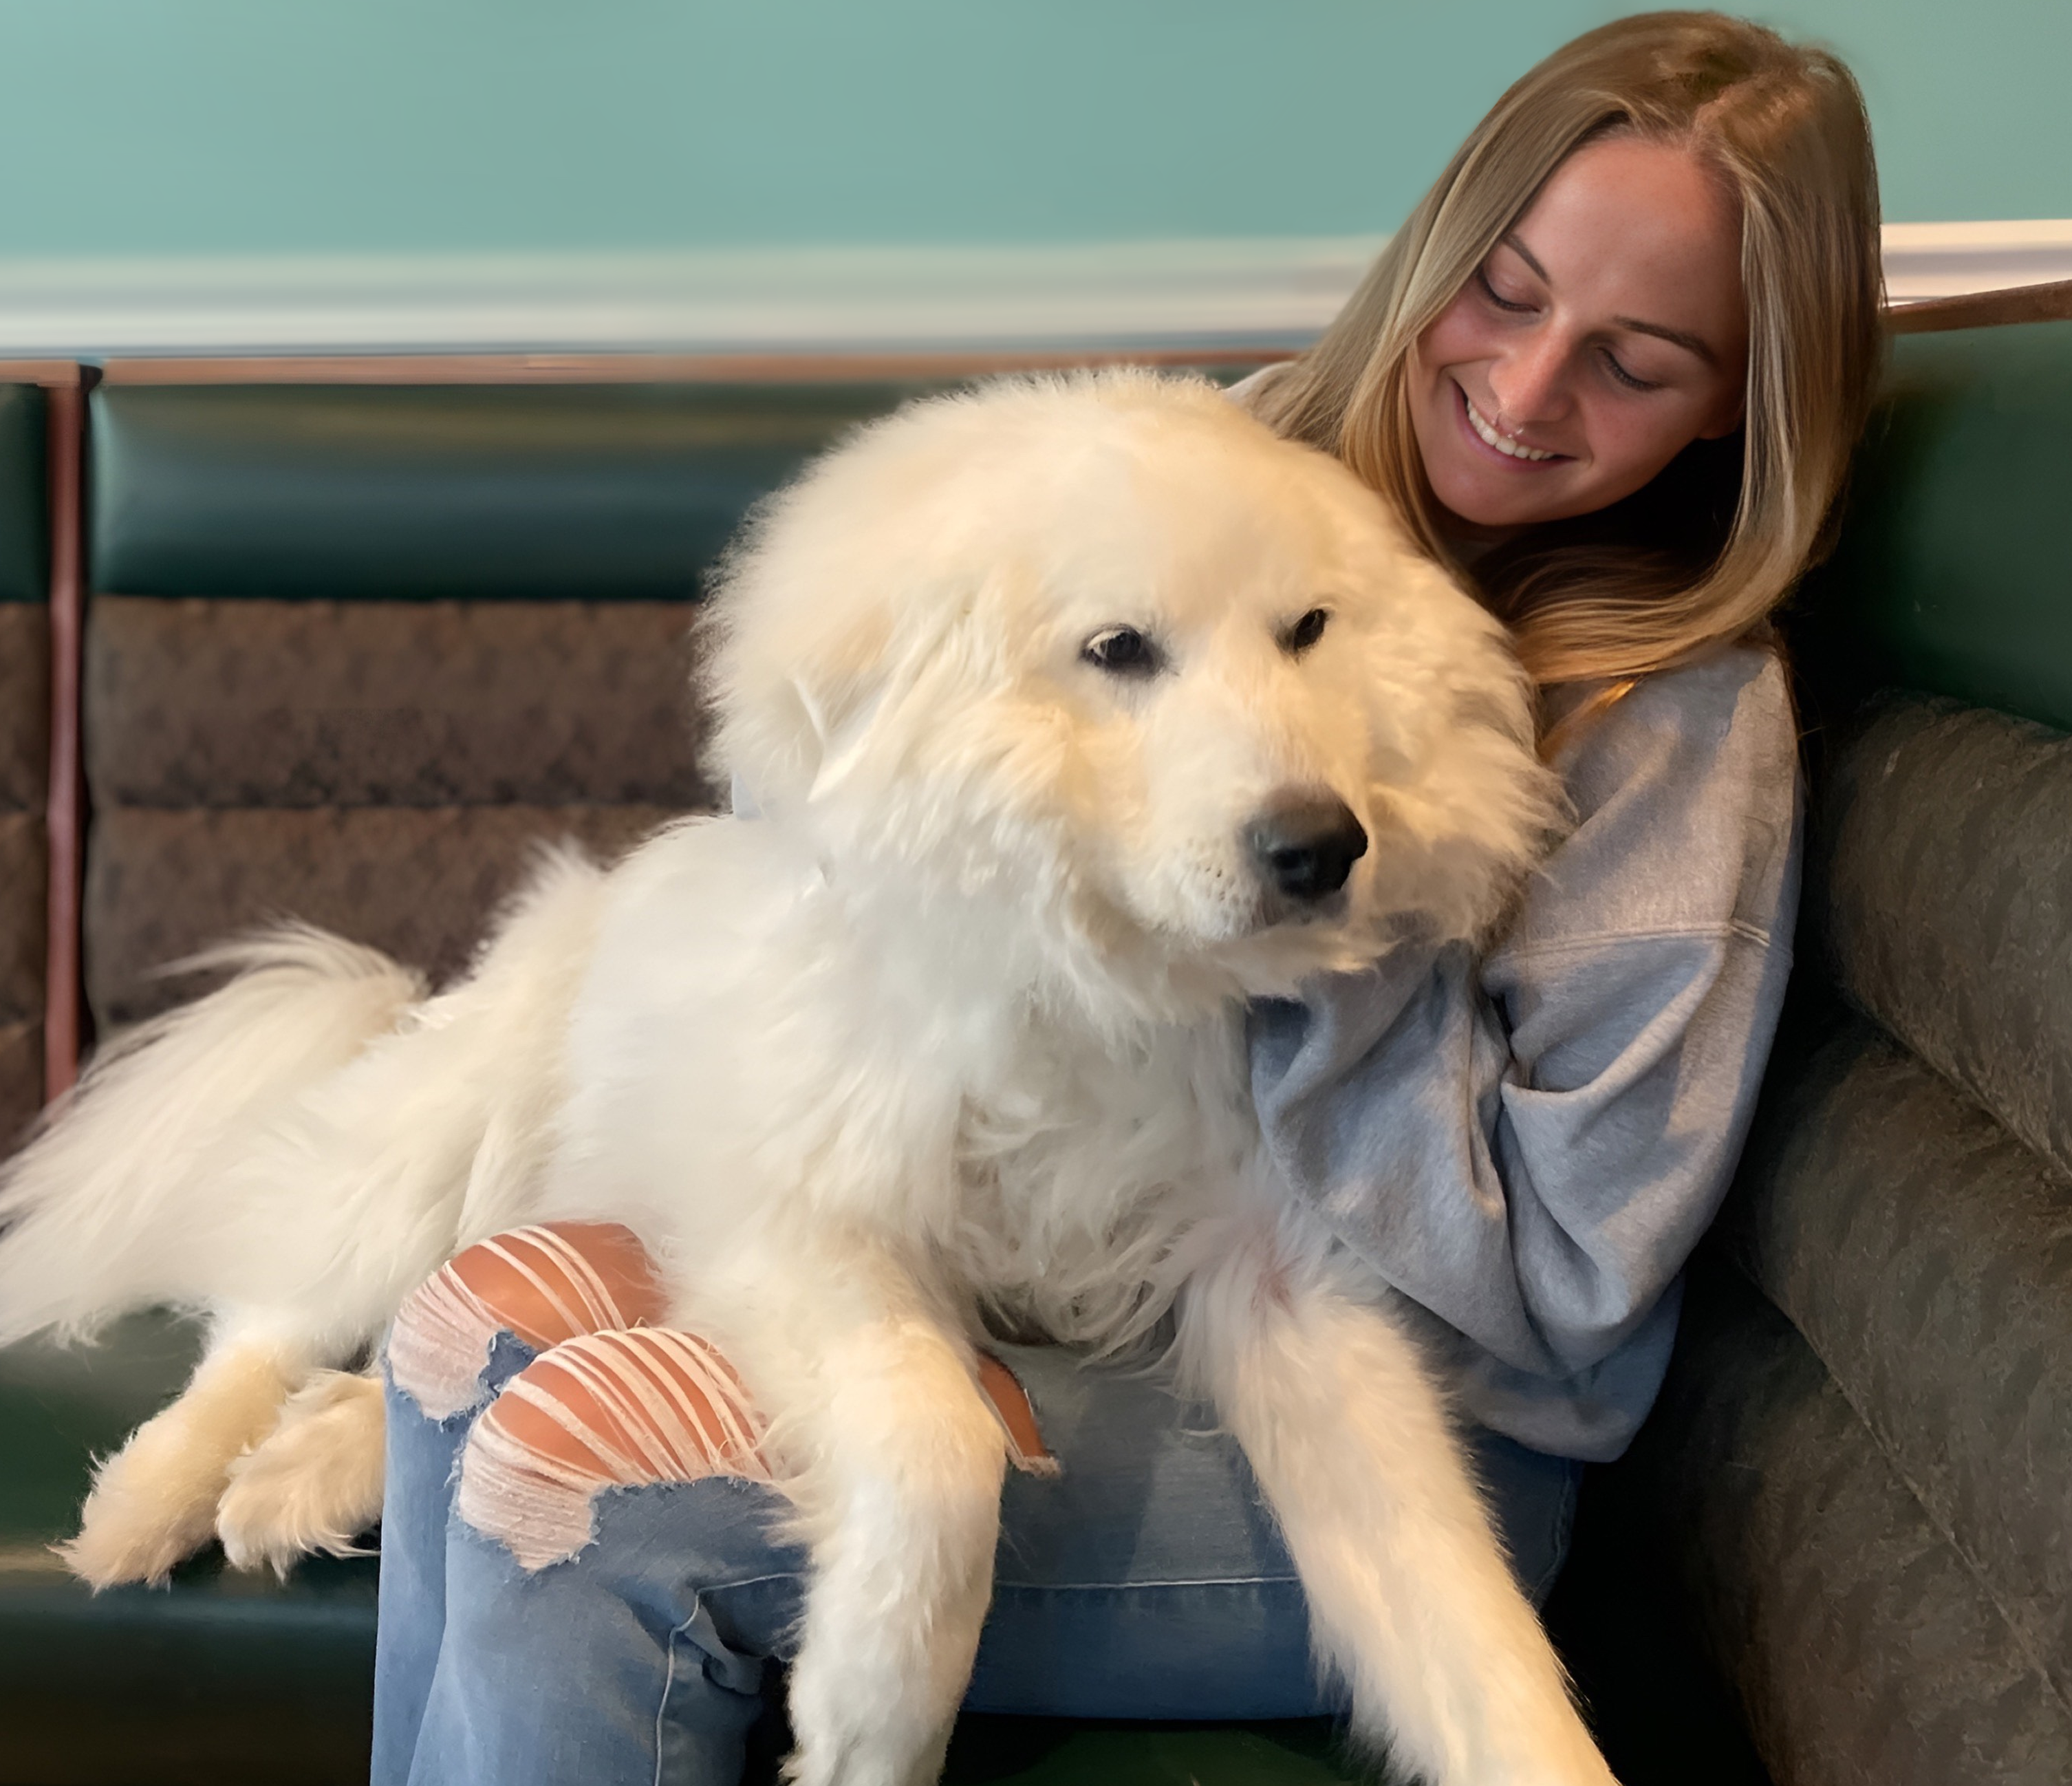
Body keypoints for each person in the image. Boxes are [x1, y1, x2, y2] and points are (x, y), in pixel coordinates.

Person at [371, 12, 1885, 1781]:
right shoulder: (1248, 473)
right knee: (474, 1322)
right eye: (1510, 287)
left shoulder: (1683, 731)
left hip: (1412, 1431)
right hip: (1085, 1279)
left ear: (1738, 412)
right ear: (1439, 249)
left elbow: (1557, 1290)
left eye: (1637, 360)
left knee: (581, 1470)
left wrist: (1325, 914)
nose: (1530, 387)